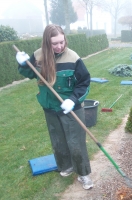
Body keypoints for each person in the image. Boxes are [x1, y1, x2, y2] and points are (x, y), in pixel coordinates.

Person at [16, 24, 93, 190]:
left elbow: (84, 82)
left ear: (65, 39)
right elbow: (30, 73)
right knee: (58, 140)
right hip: (50, 107)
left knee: (76, 142)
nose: (59, 46)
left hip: (70, 108)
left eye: (61, 42)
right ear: (46, 43)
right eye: (54, 43)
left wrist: (73, 100)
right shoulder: (38, 56)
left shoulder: (73, 58)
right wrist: (23, 64)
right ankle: (66, 166)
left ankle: (83, 173)